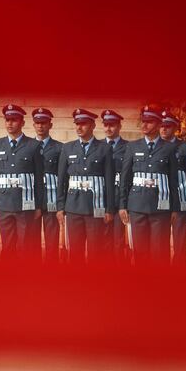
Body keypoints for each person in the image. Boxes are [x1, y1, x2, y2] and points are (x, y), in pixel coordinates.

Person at [119, 104, 179, 266]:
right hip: (137, 205)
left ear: (159, 124)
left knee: (160, 252)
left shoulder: (170, 148)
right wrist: (122, 205)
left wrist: (175, 208)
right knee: (140, 251)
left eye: (149, 122)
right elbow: (125, 178)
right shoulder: (132, 146)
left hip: (161, 207)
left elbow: (174, 180)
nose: (144, 125)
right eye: (143, 121)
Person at [56, 109, 115, 264]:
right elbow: (61, 180)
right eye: (77, 124)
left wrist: (109, 209)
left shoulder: (104, 148)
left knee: (96, 250)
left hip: (95, 207)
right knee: (75, 251)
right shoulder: (67, 148)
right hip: (73, 207)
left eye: (83, 124)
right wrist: (60, 207)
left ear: (93, 125)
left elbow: (109, 179)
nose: (79, 128)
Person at [0, 104, 44, 261]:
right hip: (4, 204)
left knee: (25, 246)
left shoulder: (33, 145)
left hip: (25, 205)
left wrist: (39, 205)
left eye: (14, 120)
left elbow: (39, 179)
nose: (10, 123)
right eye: (7, 120)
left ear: (22, 123)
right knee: (7, 246)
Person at [159, 109, 186, 266]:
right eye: (161, 125)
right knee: (159, 242)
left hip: (181, 199)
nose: (163, 129)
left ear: (175, 128)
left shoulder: (185, 147)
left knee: (180, 242)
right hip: (160, 199)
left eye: (167, 125)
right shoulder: (154, 146)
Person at [32, 107, 63, 263]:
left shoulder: (59, 148)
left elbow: (63, 176)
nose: (40, 126)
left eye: (43, 123)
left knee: (52, 238)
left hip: (51, 198)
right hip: (31, 199)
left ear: (50, 124)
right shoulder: (28, 146)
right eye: (37, 123)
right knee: (31, 240)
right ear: (33, 125)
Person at [102, 109, 130, 264]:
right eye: (105, 125)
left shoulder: (128, 148)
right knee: (102, 239)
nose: (108, 128)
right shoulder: (97, 146)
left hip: (120, 197)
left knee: (119, 239)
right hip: (102, 198)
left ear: (119, 126)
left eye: (111, 125)